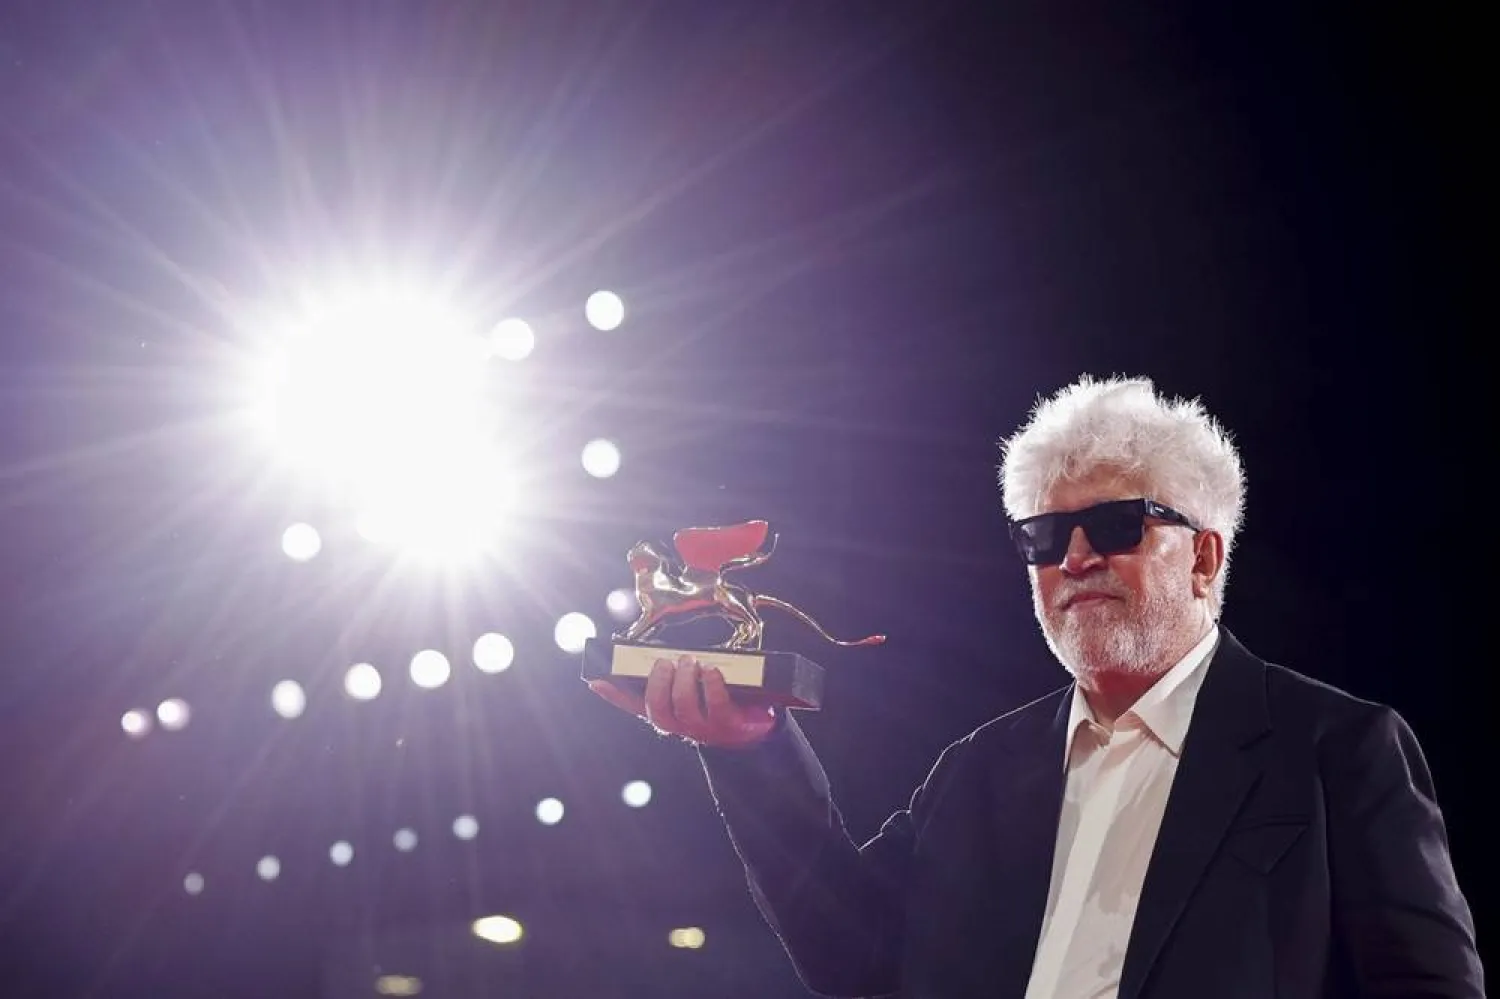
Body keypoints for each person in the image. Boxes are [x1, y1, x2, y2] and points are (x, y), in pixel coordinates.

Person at [588, 375, 1483, 998]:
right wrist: (751, 751)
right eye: (1045, 537)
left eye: (1116, 524)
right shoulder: (980, 768)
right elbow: (848, 952)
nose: (1076, 556)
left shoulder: (1336, 748)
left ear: (1205, 557)